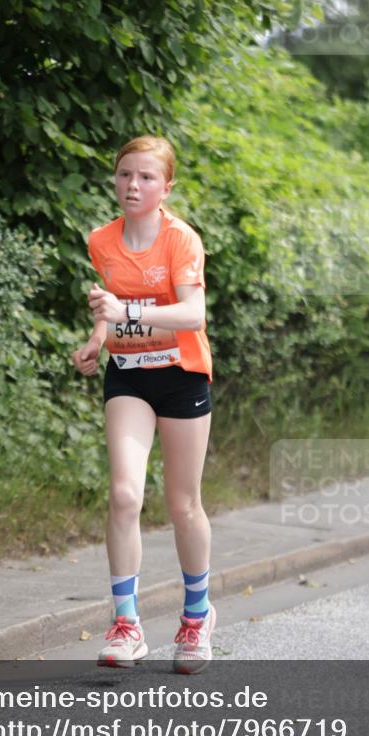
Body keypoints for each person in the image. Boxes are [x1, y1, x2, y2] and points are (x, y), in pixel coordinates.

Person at [71, 135, 215, 675]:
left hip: (180, 375)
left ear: (166, 187)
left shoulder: (181, 240)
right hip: (128, 374)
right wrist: (97, 335)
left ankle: (196, 620)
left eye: (147, 177)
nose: (134, 185)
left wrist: (125, 310)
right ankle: (127, 626)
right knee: (125, 494)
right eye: (125, 174)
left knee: (182, 505)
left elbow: (191, 315)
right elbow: (110, 305)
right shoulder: (102, 240)